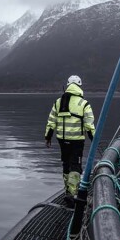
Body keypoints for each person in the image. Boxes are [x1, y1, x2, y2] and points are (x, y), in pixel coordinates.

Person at [44, 75, 96, 203]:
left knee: (66, 164)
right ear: (79, 86)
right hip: (77, 140)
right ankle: (73, 194)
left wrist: (48, 137)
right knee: (76, 166)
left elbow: (51, 121)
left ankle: (68, 190)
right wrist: (94, 139)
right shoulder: (84, 104)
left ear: (67, 85)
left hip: (62, 139)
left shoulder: (58, 102)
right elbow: (89, 125)